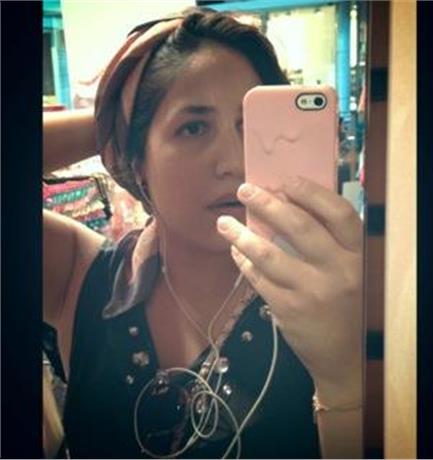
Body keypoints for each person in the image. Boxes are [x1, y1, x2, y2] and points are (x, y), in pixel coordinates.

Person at [43, 8, 363, 459]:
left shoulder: (327, 294)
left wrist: (344, 377)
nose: (233, 161)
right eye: (193, 127)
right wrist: (111, 118)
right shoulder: (81, 277)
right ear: (137, 162)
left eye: (250, 125)